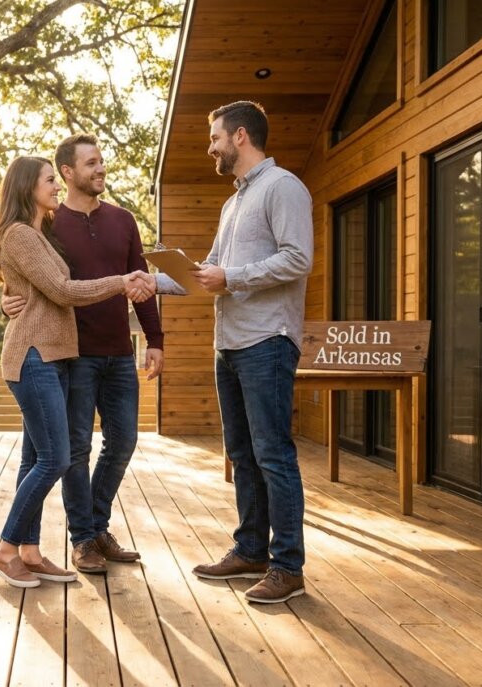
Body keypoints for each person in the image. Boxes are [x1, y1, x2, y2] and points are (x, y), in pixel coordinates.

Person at [0, 155, 155, 588]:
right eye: (49, 181)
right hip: (34, 357)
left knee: (33, 459)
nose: (55, 188)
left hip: (54, 357)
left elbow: (31, 289)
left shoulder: (39, 232)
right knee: (57, 458)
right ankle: (6, 549)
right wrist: (120, 282)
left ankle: (30, 551)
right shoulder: (21, 235)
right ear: (28, 187)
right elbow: (61, 290)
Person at [188, 101, 313, 604]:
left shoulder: (283, 187)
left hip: (267, 342)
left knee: (273, 456)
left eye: (215, 137)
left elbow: (298, 258)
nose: (211, 147)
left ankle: (288, 566)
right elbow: (211, 270)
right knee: (242, 455)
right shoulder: (233, 202)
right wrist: (150, 279)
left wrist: (232, 278)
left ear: (240, 136)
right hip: (231, 344)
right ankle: (250, 550)